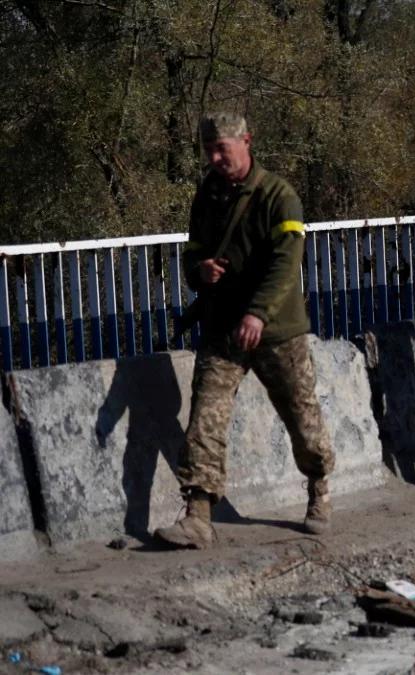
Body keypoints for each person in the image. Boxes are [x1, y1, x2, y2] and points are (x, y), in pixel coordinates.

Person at [155, 112, 335, 549]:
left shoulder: (278, 195)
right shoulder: (208, 195)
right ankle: (198, 516)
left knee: (302, 418)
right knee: (206, 420)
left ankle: (319, 488)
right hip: (222, 329)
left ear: (247, 141)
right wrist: (199, 272)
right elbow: (192, 253)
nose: (216, 158)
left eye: (224, 149)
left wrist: (258, 314)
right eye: (209, 151)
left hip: (277, 331)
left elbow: (286, 263)